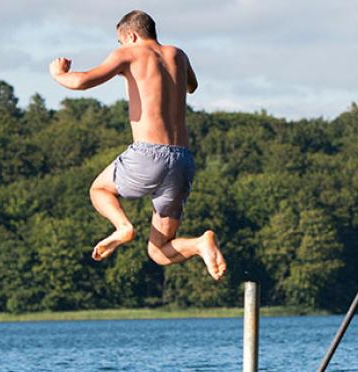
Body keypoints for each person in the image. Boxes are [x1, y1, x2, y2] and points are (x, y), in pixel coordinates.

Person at [49, 9, 226, 280]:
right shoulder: (178, 54)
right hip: (182, 160)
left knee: (99, 190)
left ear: (130, 35)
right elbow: (192, 85)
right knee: (159, 251)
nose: (120, 48)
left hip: (149, 154)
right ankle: (200, 244)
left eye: (121, 42)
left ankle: (122, 228)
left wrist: (59, 74)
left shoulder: (129, 53)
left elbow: (82, 81)